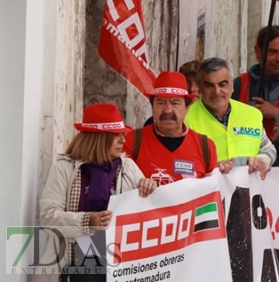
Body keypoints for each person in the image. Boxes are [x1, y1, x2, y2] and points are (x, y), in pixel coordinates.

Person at [41, 104, 156, 281]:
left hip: (116, 268)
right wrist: (88, 221)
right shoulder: (64, 169)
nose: (123, 140)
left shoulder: (128, 167)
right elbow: (48, 217)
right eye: (116, 135)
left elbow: (148, 214)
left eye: (122, 134)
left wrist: (150, 188)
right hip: (71, 268)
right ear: (98, 138)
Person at [185, 57, 277, 175]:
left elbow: (268, 149)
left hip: (248, 191)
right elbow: (177, 162)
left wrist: (262, 161)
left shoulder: (252, 114)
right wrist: (210, 169)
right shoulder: (185, 117)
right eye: (209, 85)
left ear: (232, 85)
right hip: (209, 191)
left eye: (222, 84)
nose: (217, 91)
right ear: (200, 88)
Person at [124, 71, 218, 185]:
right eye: (160, 103)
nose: (168, 110)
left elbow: (213, 195)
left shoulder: (206, 147)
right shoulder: (132, 141)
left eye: (175, 103)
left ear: (187, 108)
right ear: (152, 107)